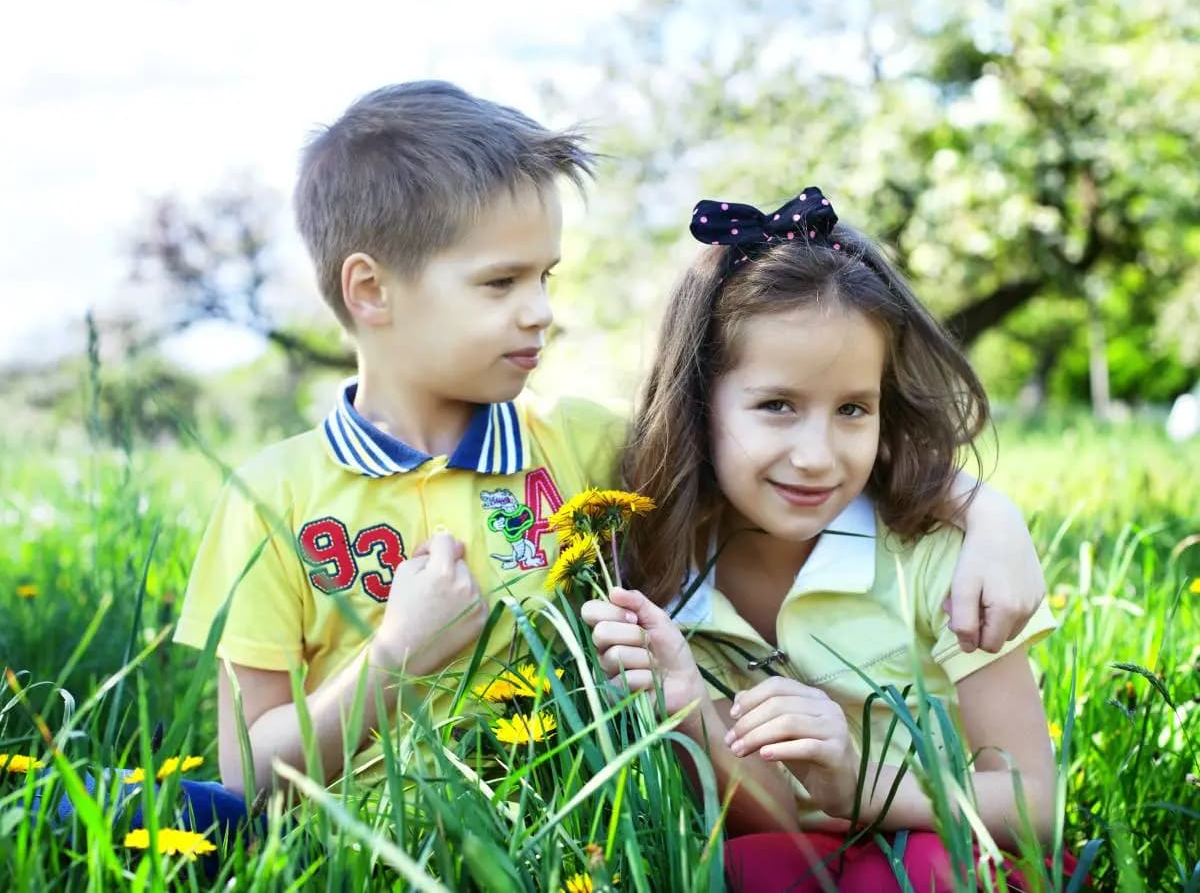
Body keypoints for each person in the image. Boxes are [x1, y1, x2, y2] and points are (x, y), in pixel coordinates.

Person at [174, 86, 1044, 823]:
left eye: (545, 277)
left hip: (569, 835)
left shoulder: (582, 446)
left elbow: (771, 448)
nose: (541, 311)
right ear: (371, 290)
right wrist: (398, 656)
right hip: (352, 849)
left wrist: (987, 516)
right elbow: (250, 772)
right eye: (501, 282)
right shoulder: (268, 500)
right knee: (185, 818)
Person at [583, 188, 1061, 892]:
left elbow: (1035, 806)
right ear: (698, 403)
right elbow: (772, 819)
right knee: (744, 869)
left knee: (921, 870)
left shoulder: (937, 556)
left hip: (950, 852)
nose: (816, 456)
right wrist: (690, 705)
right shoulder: (660, 571)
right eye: (777, 405)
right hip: (794, 860)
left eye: (852, 409)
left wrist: (859, 785)